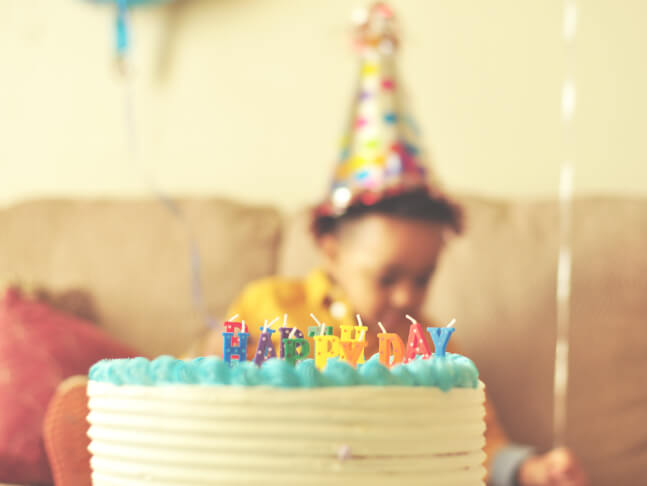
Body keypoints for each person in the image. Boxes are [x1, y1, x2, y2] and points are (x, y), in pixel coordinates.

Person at [194, 4, 589, 485]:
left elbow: (480, 440)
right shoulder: (268, 306)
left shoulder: (430, 347)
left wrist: (529, 470)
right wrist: (217, 358)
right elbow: (196, 391)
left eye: (423, 278)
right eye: (387, 277)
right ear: (331, 251)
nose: (407, 297)